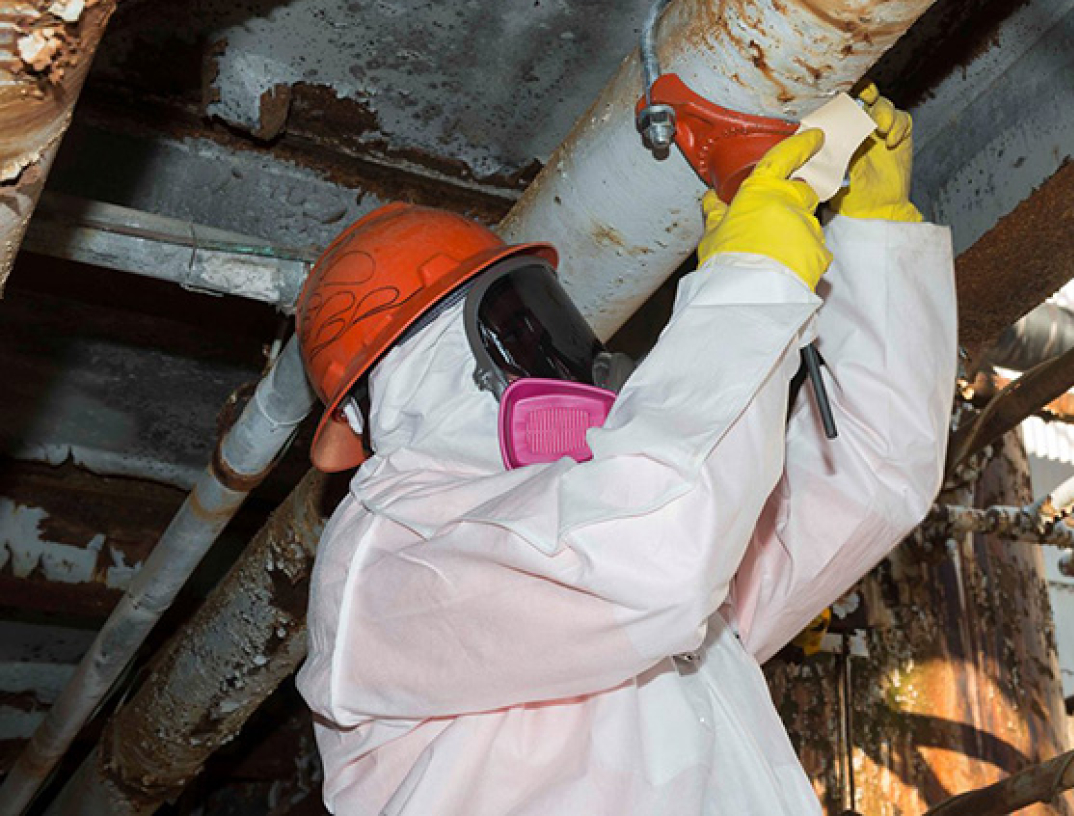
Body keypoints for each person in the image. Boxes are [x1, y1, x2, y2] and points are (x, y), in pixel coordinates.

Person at [294, 87, 958, 814]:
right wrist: (750, 283)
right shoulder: (385, 557)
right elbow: (655, 556)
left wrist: (875, 241)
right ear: (437, 361)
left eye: (550, 318)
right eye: (523, 325)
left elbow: (865, 478)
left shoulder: (625, 550)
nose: (561, 353)